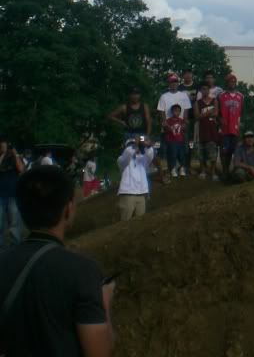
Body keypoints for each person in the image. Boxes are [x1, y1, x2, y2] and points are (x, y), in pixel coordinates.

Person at [0, 166, 114, 357]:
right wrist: (105, 304)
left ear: (21, 209)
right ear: (68, 210)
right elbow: (99, 352)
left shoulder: (4, 261)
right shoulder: (82, 271)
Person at [117, 135, 155, 221]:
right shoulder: (121, 160)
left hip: (141, 194)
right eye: (131, 145)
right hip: (127, 194)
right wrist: (136, 144)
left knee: (140, 224)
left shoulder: (142, 159)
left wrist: (148, 145)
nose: (134, 146)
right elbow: (128, 153)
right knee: (125, 222)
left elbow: (150, 155)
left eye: (134, 144)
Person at [0, 136, 26, 247]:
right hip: (0, 195)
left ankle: (15, 246)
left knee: (14, 224)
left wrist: (15, 154)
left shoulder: (13, 157)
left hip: (12, 195)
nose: (3, 147)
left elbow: (20, 169)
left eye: (4, 145)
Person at [218, 73, 244, 176]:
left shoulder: (241, 96)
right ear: (227, 83)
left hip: (235, 128)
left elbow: (242, 112)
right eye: (230, 81)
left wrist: (240, 124)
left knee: (235, 150)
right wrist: (219, 120)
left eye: (234, 81)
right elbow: (218, 111)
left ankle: (234, 171)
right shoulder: (221, 95)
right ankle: (225, 171)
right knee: (225, 151)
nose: (232, 83)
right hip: (224, 128)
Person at [195, 84, 221, 180]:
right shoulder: (197, 102)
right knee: (201, 152)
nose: (204, 91)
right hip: (201, 130)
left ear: (209, 90)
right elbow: (197, 116)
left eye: (206, 89)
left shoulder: (215, 101)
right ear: (201, 91)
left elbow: (216, 113)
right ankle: (203, 171)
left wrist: (203, 114)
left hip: (212, 129)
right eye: (203, 89)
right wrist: (208, 113)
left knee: (213, 153)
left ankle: (213, 172)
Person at [162, 103, 189, 179]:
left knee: (182, 155)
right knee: (173, 155)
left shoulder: (182, 120)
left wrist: (185, 125)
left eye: (178, 111)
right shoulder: (168, 121)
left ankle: (182, 168)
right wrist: (167, 127)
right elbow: (165, 130)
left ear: (180, 112)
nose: (176, 112)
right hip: (171, 141)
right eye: (175, 111)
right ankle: (173, 169)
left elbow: (185, 129)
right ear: (172, 112)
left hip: (180, 141)